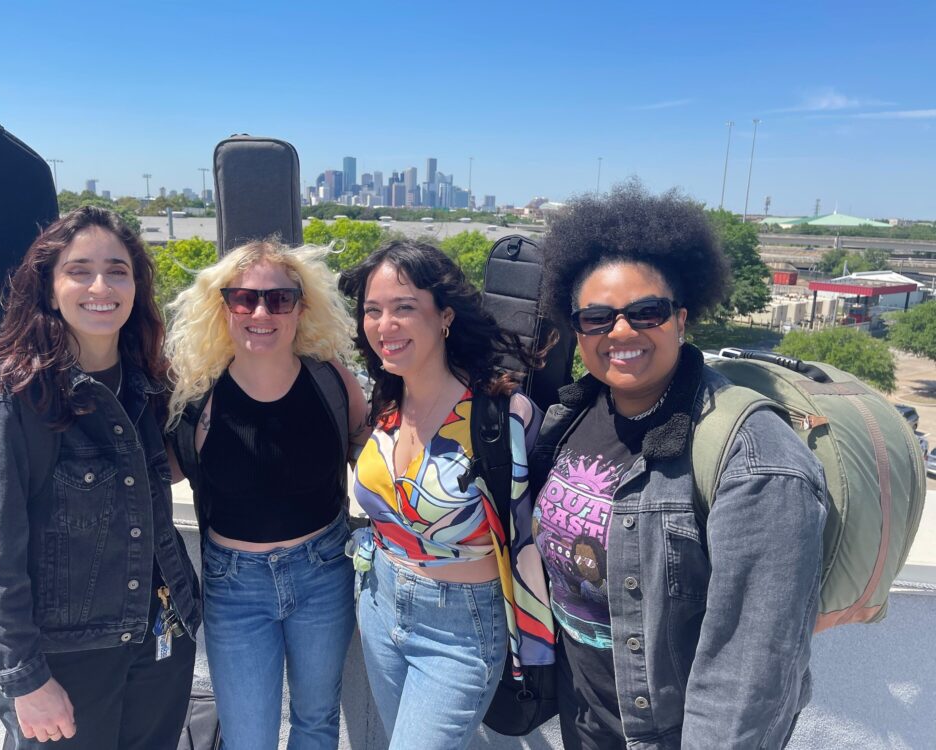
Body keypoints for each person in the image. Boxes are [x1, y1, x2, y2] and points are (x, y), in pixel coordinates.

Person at [530, 184, 828, 749]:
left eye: (646, 312)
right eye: (596, 318)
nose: (620, 332)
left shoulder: (755, 458)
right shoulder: (574, 413)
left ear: (682, 319)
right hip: (585, 715)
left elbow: (753, 668)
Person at [0, 206, 200, 749]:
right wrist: (25, 679)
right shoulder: (6, 404)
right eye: (79, 269)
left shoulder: (147, 387)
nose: (100, 285)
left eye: (117, 270)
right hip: (65, 660)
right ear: (48, 285)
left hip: (161, 641)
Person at [338, 240, 555, 748]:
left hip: (462, 626)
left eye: (404, 308)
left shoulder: (502, 415)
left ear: (446, 318)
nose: (384, 325)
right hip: (379, 599)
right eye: (373, 310)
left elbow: (537, 526)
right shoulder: (388, 398)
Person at [164, 240, 368, 750]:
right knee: (248, 737)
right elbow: (147, 477)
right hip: (234, 586)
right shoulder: (196, 397)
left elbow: (374, 457)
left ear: (302, 307)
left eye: (280, 299)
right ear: (222, 306)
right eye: (244, 298)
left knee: (317, 721)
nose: (261, 312)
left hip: (323, 571)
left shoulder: (332, 381)